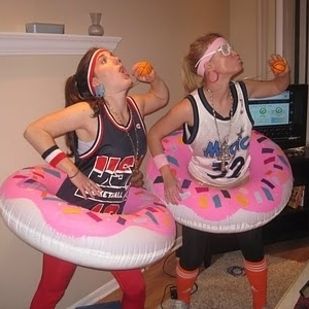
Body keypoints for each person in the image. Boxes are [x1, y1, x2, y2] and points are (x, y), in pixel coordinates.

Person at [147, 33, 290, 309]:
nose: (233, 51)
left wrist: (283, 73)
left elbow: (277, 86)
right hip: (202, 190)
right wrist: (166, 173)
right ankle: (183, 303)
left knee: (253, 249)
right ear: (210, 69)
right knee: (191, 254)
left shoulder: (243, 90)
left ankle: (259, 304)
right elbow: (155, 134)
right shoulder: (189, 107)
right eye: (224, 50)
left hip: (243, 187)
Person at [24, 47, 169, 309]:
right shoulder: (88, 112)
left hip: (111, 220)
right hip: (71, 218)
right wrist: (73, 172)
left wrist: (154, 79)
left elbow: (161, 96)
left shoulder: (136, 105)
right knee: (50, 292)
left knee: (136, 289)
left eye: (115, 57)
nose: (117, 59)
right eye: (105, 60)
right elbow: (35, 131)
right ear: (96, 82)